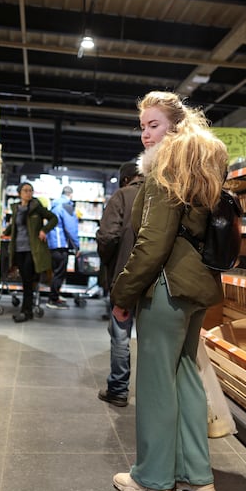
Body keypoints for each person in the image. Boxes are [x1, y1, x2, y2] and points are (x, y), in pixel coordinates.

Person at [110, 91, 228, 491]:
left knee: (157, 383)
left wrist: (123, 293)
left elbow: (153, 243)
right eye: (142, 126)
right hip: (197, 288)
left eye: (153, 124)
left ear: (175, 126)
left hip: (165, 287)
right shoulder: (201, 170)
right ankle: (196, 475)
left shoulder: (165, 172)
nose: (145, 134)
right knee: (186, 378)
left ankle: (153, 479)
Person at [95, 161, 144, 407]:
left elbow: (107, 236)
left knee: (121, 334)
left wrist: (109, 261)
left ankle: (118, 389)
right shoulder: (162, 195)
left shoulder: (122, 196)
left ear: (125, 179)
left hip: (124, 277)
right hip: (156, 280)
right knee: (150, 338)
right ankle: (151, 393)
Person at [3, 182, 57, 323]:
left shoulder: (37, 208)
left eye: (30, 190)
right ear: (19, 193)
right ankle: (28, 311)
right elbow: (15, 225)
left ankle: (25, 311)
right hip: (18, 249)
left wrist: (44, 230)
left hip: (32, 251)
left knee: (28, 281)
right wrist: (4, 233)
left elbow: (54, 218)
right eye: (26, 190)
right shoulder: (16, 208)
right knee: (26, 281)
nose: (29, 193)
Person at [46, 186, 80, 309]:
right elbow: (71, 228)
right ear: (71, 195)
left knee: (56, 272)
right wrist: (76, 245)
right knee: (59, 272)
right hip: (61, 244)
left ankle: (55, 296)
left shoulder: (55, 205)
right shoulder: (66, 206)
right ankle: (53, 299)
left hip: (53, 243)